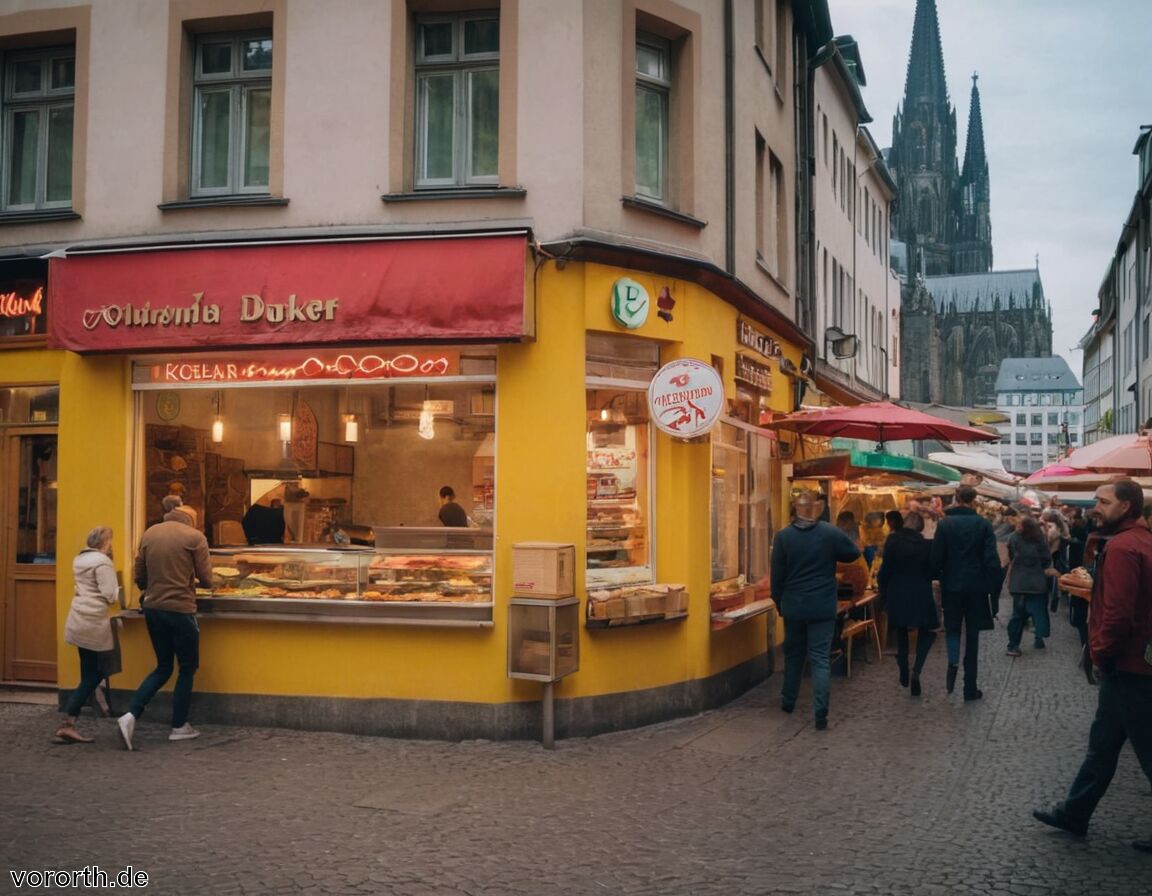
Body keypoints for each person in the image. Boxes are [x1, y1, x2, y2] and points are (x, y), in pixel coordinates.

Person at [1033, 479, 1152, 853]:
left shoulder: (1123, 548)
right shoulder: (1141, 542)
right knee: (1102, 746)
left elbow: (1117, 615)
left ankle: (1075, 811)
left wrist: (1099, 654)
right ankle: (1075, 811)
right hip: (1133, 664)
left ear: (1127, 506)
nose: (1094, 507)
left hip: (1130, 667)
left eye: (1103, 501)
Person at [117, 496, 213, 751]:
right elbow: (207, 579)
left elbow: (140, 574)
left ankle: (131, 714)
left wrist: (152, 588)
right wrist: (196, 583)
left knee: (162, 667)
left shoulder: (149, 533)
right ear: (191, 519)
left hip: (153, 608)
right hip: (181, 610)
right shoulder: (195, 537)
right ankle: (179, 726)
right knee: (187, 667)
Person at [771, 489, 861, 731]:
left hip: (794, 605)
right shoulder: (829, 532)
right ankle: (820, 712)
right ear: (817, 509)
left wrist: (779, 603)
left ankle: (788, 701)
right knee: (820, 658)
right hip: (822, 604)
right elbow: (853, 553)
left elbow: (776, 577)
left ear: (795, 510)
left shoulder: (783, 537)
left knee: (794, 655)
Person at [930, 484, 1001, 702]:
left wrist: (938, 577)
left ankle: (952, 662)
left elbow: (936, 557)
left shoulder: (944, 524)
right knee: (972, 635)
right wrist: (994, 591)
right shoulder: (984, 525)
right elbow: (991, 561)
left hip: (952, 585)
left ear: (955, 498)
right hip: (977, 587)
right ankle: (970, 687)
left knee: (952, 628)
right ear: (974, 500)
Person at [55, 526, 119, 743]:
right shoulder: (102, 562)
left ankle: (71, 722)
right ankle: (68, 721)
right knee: (99, 672)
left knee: (88, 671)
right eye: (110, 541)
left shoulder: (79, 560)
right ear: (105, 543)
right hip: (93, 622)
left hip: (78, 618)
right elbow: (110, 595)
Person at [878, 511, 937, 697]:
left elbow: (885, 569)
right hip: (921, 592)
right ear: (920, 527)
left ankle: (903, 665)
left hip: (898, 592)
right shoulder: (927, 545)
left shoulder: (893, 541)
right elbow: (933, 571)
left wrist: (883, 589)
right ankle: (916, 670)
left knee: (901, 630)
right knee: (926, 632)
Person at [1005, 515, 1058, 656]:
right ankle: (1038, 638)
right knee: (1038, 612)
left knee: (1018, 615)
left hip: (1019, 582)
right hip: (1037, 582)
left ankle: (1013, 645)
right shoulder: (1040, 538)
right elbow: (1047, 559)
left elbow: (1010, 555)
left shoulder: (1014, 537)